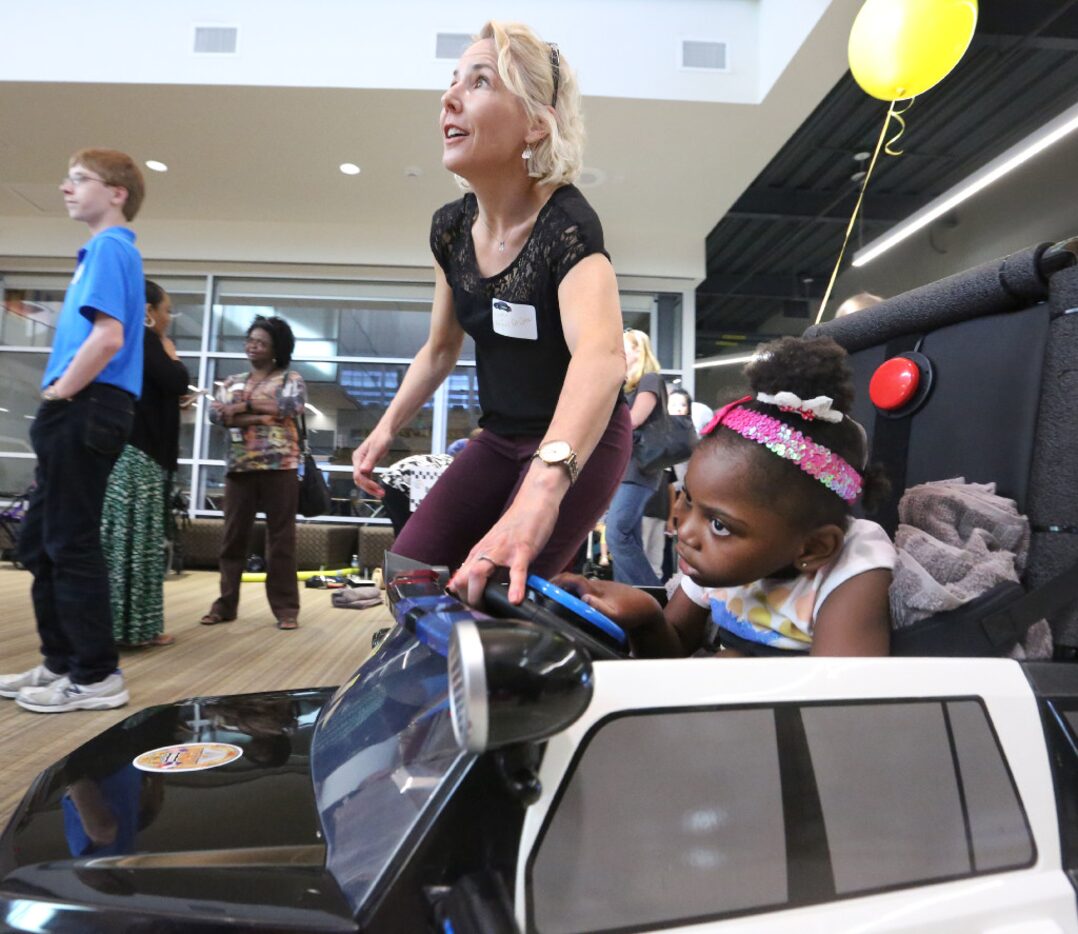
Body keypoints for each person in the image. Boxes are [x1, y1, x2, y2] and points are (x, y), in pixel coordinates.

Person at [352, 21, 630, 605]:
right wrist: (384, 429)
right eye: (452, 81)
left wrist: (542, 490)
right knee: (408, 575)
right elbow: (440, 349)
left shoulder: (568, 226)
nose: (449, 98)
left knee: (493, 592)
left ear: (535, 122)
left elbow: (602, 358)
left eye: (479, 81)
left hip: (584, 438)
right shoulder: (450, 229)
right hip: (502, 435)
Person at [556, 336, 896, 657]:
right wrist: (647, 618)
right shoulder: (712, 560)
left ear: (813, 548)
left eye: (719, 524)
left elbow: (842, 699)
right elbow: (675, 645)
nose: (686, 532)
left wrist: (736, 673)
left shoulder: (852, 564)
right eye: (688, 500)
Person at [0, 149, 145, 713]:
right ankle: (62, 662)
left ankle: (95, 676)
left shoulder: (111, 248)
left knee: (69, 541)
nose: (66, 187)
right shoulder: (100, 252)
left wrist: (60, 392)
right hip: (85, 406)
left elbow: (107, 338)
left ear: (117, 193)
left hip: (86, 404)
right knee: (40, 540)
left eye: (81, 179)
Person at [201, 316, 306, 630]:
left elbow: (291, 406)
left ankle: (286, 609)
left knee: (281, 541)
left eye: (261, 342)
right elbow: (215, 415)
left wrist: (242, 410)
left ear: (276, 348)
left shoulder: (291, 377)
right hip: (239, 467)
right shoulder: (232, 381)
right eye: (250, 341)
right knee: (233, 539)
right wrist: (260, 414)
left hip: (280, 467)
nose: (253, 346)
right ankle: (225, 605)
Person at [100, 280, 190, 648]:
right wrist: (171, 353)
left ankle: (138, 627)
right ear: (150, 312)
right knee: (135, 547)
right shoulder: (146, 340)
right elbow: (176, 379)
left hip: (143, 455)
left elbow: (162, 391)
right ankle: (128, 628)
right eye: (166, 310)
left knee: (142, 545)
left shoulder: (136, 341)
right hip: (139, 458)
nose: (169, 318)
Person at [606, 329, 666, 585]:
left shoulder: (650, 379)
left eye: (624, 347)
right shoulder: (628, 384)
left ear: (638, 351)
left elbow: (634, 419)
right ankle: (632, 594)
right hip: (628, 468)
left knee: (617, 533)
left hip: (639, 468)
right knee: (628, 535)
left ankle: (653, 591)